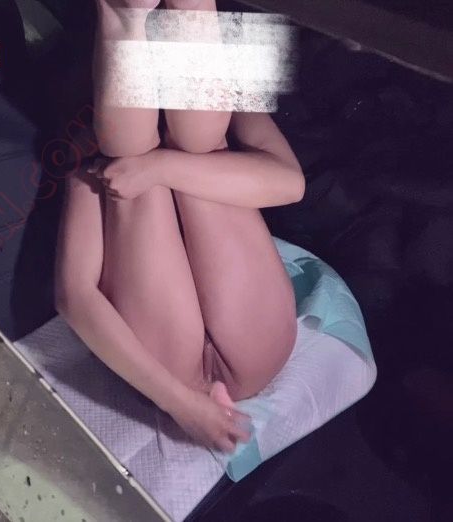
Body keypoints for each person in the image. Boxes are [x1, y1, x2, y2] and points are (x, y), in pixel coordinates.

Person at [54, 0, 305, 453]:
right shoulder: (94, 146)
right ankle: (148, 14)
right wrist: (181, 404)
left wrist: (159, 167)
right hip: (219, 356)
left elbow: (291, 185)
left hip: (201, 351)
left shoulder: (229, 104)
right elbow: (74, 295)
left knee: (182, 151)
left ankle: (138, 15)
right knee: (147, 160)